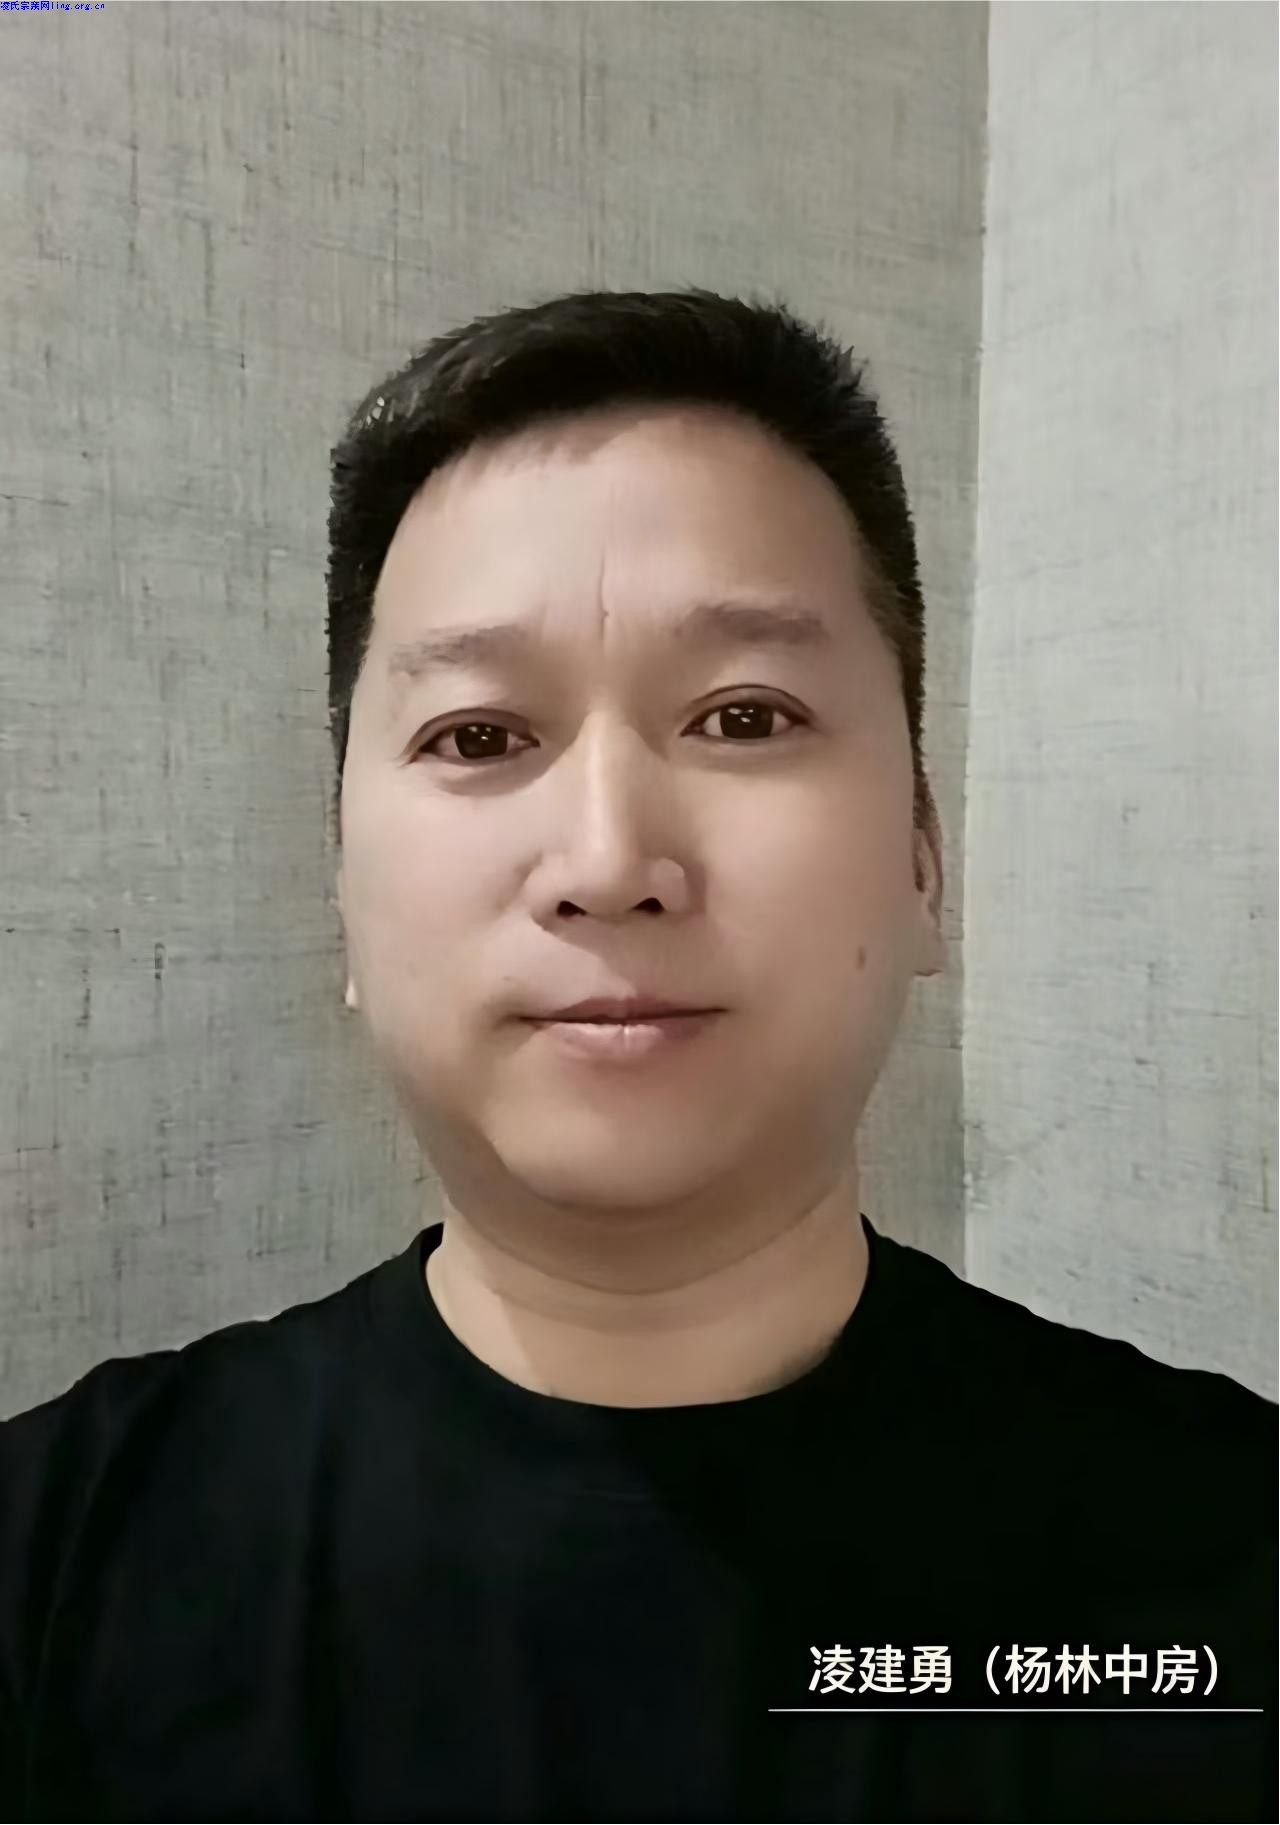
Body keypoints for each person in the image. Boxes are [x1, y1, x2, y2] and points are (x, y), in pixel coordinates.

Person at [0, 287, 1274, 1824]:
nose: (608, 861)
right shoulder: (51, 1562)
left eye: (744, 716)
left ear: (924, 864)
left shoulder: (1232, 1557)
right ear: (344, 895)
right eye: (479, 736)